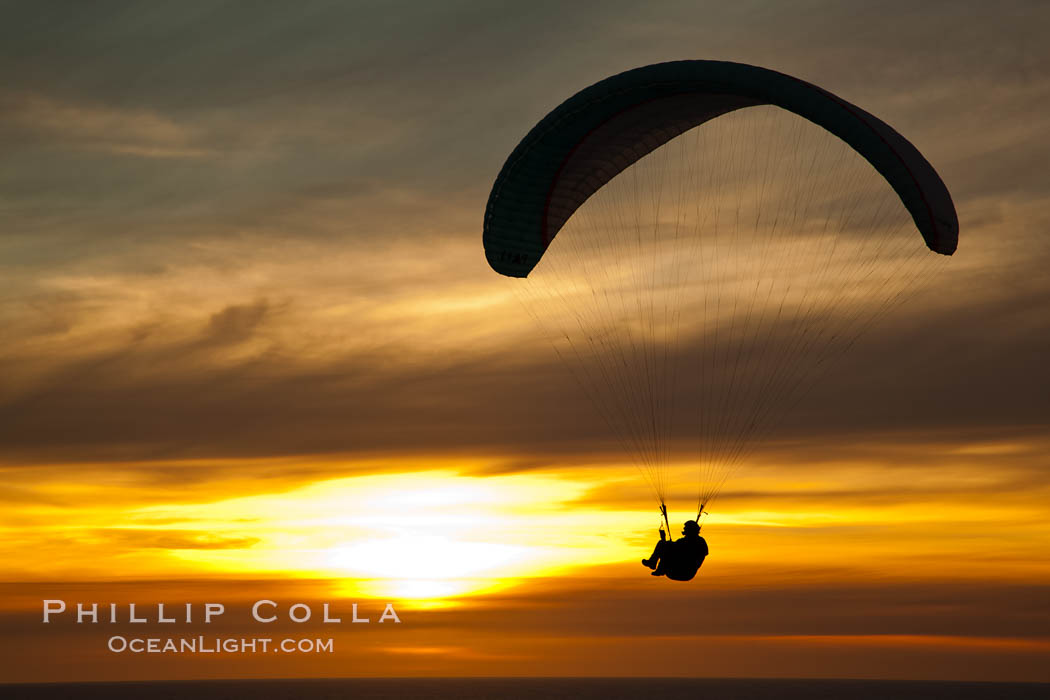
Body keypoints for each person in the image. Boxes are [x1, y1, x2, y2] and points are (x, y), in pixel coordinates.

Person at [642, 520, 708, 581]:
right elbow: (672, 547)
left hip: (684, 572)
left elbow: (701, 553)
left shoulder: (699, 542)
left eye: (686, 528)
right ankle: (653, 563)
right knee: (662, 543)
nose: (684, 529)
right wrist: (663, 539)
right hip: (675, 570)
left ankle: (658, 568)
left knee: (665, 547)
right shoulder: (682, 541)